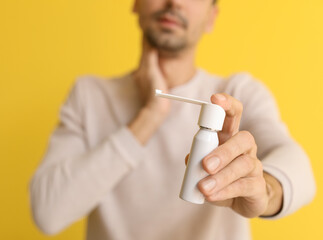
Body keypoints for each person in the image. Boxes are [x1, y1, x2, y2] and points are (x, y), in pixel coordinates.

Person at [29, 0, 316, 239]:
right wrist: (150, 116)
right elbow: (48, 212)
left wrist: (264, 192)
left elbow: (300, 168)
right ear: (135, 3)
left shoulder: (236, 95)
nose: (174, 2)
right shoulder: (89, 96)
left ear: (211, 18)